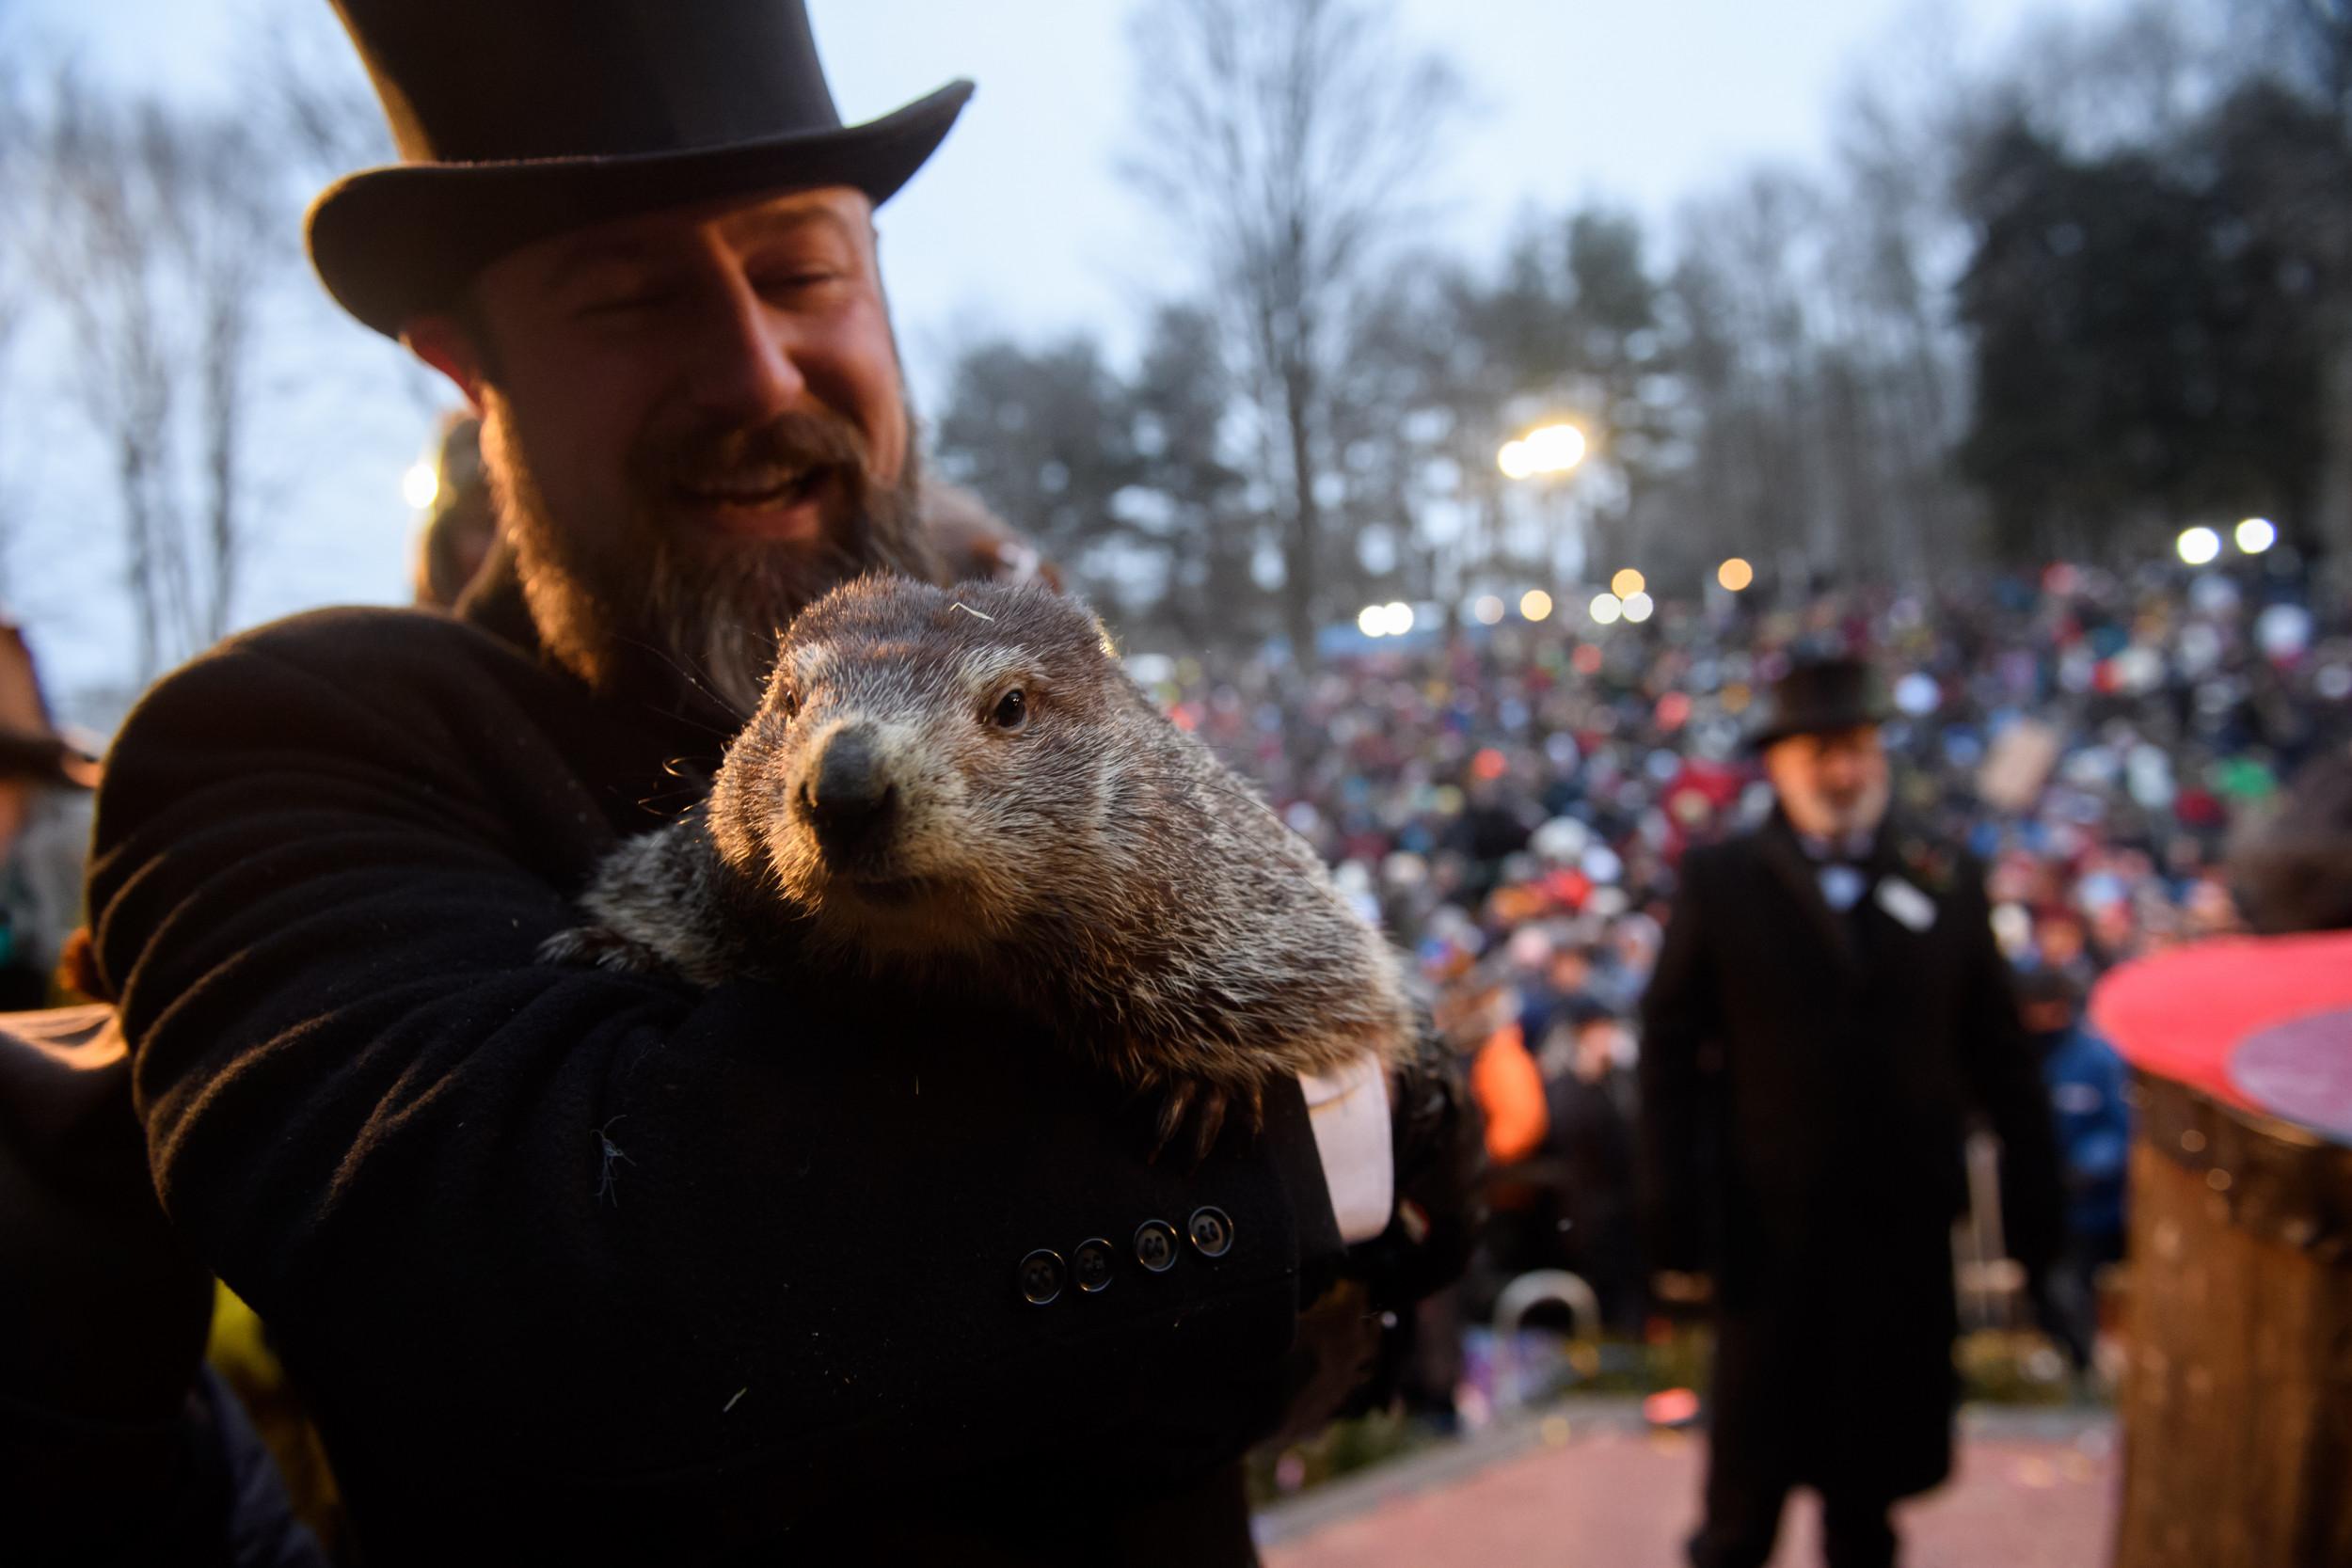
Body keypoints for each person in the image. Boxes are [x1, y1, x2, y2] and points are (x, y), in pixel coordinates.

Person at [80, 4, 1470, 1560]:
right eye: (628, 297)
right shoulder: (280, 745)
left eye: (804, 272)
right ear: (469, 368)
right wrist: (1307, 1152)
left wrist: (1383, 1097)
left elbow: (1397, 1162)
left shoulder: (1048, 651)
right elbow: (510, 1284)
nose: (754, 370)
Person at [1638, 654, 2063, 1568]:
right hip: (1770, 1230)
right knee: (1742, 1502)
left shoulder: (1943, 870)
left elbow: (1999, 1052)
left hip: (1898, 1232)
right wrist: (1674, 1214)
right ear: (1782, 762)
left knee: (1866, 1501)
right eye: (1824, 750)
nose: (1845, 770)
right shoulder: (1721, 878)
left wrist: (2039, 1223)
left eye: (1860, 747)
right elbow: (1668, 1052)